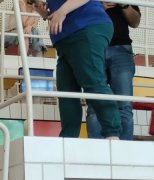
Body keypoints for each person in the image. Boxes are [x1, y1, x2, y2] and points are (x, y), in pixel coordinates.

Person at [31, 0, 120, 139]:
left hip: (86, 26)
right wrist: (44, 12)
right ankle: (68, 138)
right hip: (65, 37)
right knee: (67, 91)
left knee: (92, 79)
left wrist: (61, 12)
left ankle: (112, 133)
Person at [86, 3, 140, 141]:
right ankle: (97, 153)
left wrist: (124, 5)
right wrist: (98, 7)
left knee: (125, 106)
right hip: (94, 47)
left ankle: (124, 154)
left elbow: (135, 22)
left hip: (121, 49)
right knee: (94, 106)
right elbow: (78, 16)